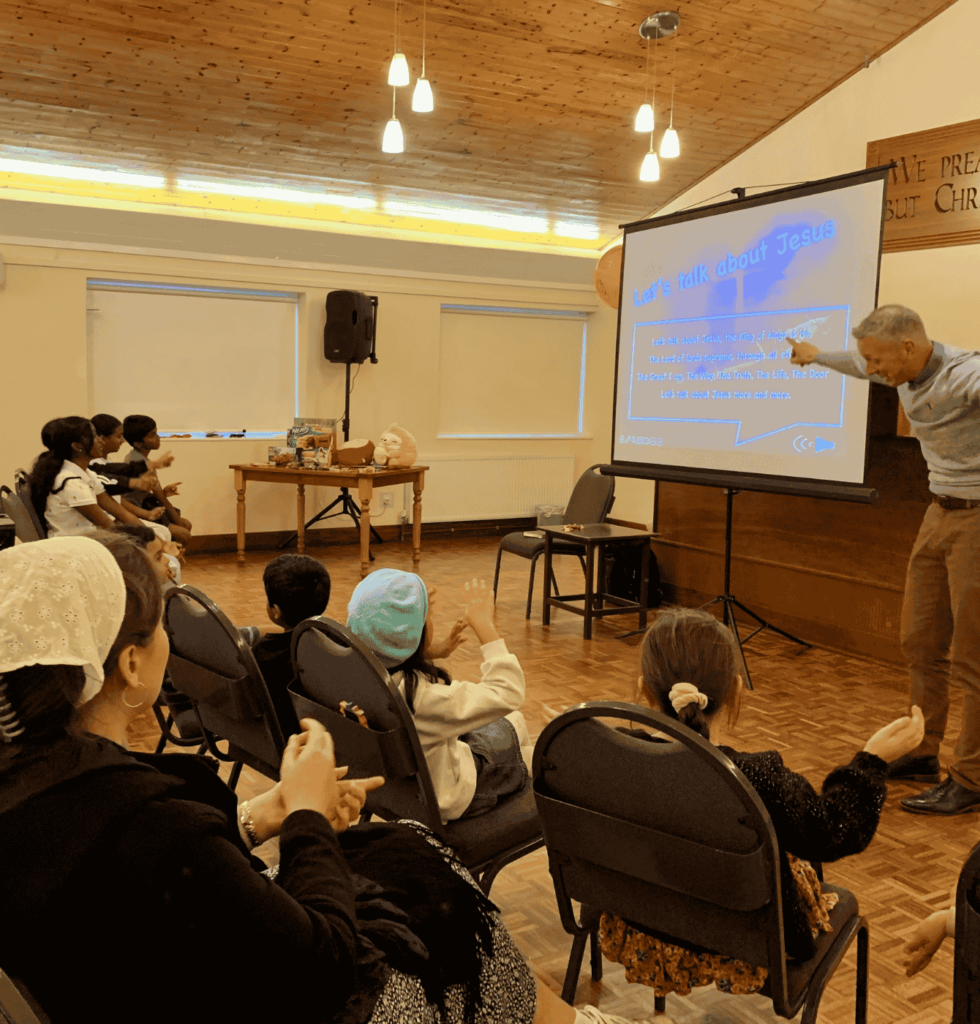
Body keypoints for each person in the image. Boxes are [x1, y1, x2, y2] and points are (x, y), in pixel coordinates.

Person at [0, 535, 665, 1024]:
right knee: (452, 915)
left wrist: (268, 811)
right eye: (160, 628)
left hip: (158, 974)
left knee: (405, 846)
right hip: (288, 993)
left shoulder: (43, 784)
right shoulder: (156, 822)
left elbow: (170, 870)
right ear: (132, 664)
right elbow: (323, 969)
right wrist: (308, 821)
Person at [597, 606, 924, 1001]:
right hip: (746, 942)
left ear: (644, 690)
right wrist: (872, 761)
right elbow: (834, 830)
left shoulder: (608, 758)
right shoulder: (755, 778)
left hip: (640, 925)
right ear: (736, 691)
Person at [789, 304, 980, 816]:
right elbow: (856, 364)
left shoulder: (968, 373)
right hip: (940, 510)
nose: (872, 370)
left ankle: (971, 781)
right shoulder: (898, 366)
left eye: (878, 360)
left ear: (909, 347)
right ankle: (921, 751)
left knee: (976, 656)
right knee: (920, 640)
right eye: (869, 360)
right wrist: (815, 355)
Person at [346, 570, 532, 823]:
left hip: (392, 787)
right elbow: (508, 690)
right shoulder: (420, 699)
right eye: (428, 617)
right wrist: (484, 624)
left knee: (513, 723)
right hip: (448, 797)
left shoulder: (349, 673)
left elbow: (381, 649)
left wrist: (429, 651)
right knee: (522, 730)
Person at [28, 416, 164, 538]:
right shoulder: (72, 483)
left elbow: (122, 514)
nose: (100, 440)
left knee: (154, 541)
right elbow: (108, 527)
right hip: (76, 547)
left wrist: (158, 543)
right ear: (77, 446)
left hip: (91, 539)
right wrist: (152, 543)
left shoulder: (87, 474)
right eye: (94, 436)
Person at [252, 553, 333, 736]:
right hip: (324, 734)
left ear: (276, 611)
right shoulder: (335, 645)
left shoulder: (265, 651)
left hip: (284, 737)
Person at [122, 413, 192, 546]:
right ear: (137, 443)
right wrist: (179, 524)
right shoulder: (142, 464)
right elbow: (162, 499)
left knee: (186, 525)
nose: (158, 438)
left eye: (156, 433)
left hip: (142, 506)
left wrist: (164, 492)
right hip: (135, 512)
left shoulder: (134, 456)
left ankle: (171, 555)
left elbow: (154, 494)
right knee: (184, 532)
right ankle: (169, 554)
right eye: (152, 435)